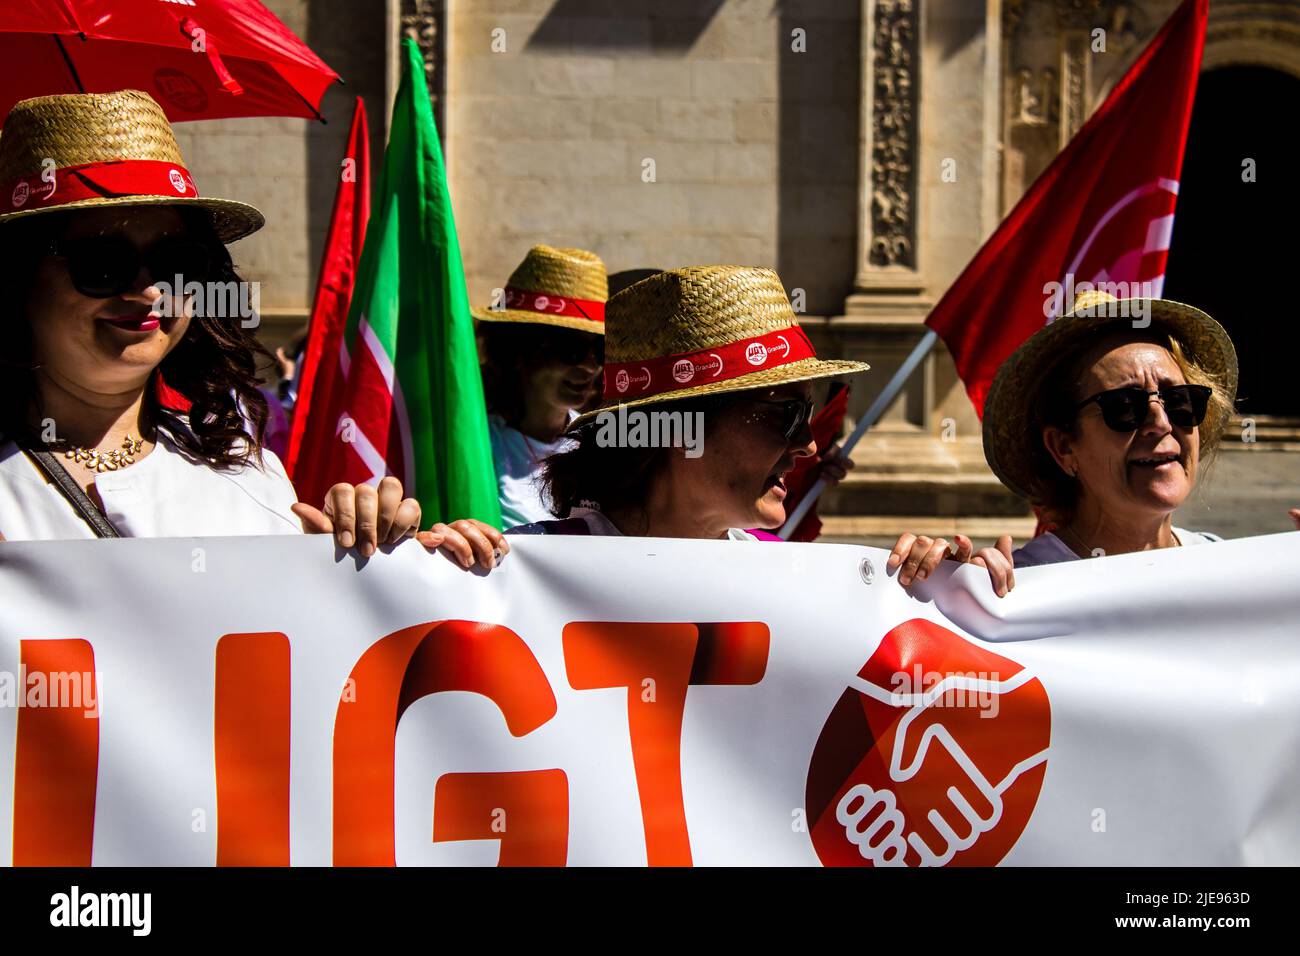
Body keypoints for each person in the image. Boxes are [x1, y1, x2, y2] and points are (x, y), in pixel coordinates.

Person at [0, 89, 503, 569]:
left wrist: (373, 564)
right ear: (18, 280)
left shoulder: (246, 474)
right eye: (101, 262)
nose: (149, 290)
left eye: (178, 262)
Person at [507, 265, 1014, 594]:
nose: (809, 445)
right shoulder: (521, 576)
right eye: (784, 417)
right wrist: (438, 569)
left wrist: (943, 595)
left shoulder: (790, 585)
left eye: (809, 417)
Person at [982, 289, 1243, 568]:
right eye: (1125, 406)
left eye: (1180, 401)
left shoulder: (1227, 565)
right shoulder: (1017, 588)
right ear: (1064, 447)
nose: (1161, 423)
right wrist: (942, 591)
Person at [473, 245, 606, 528]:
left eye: (600, 348)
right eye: (571, 348)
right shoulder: (476, 445)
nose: (590, 366)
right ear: (520, 350)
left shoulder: (606, 445)